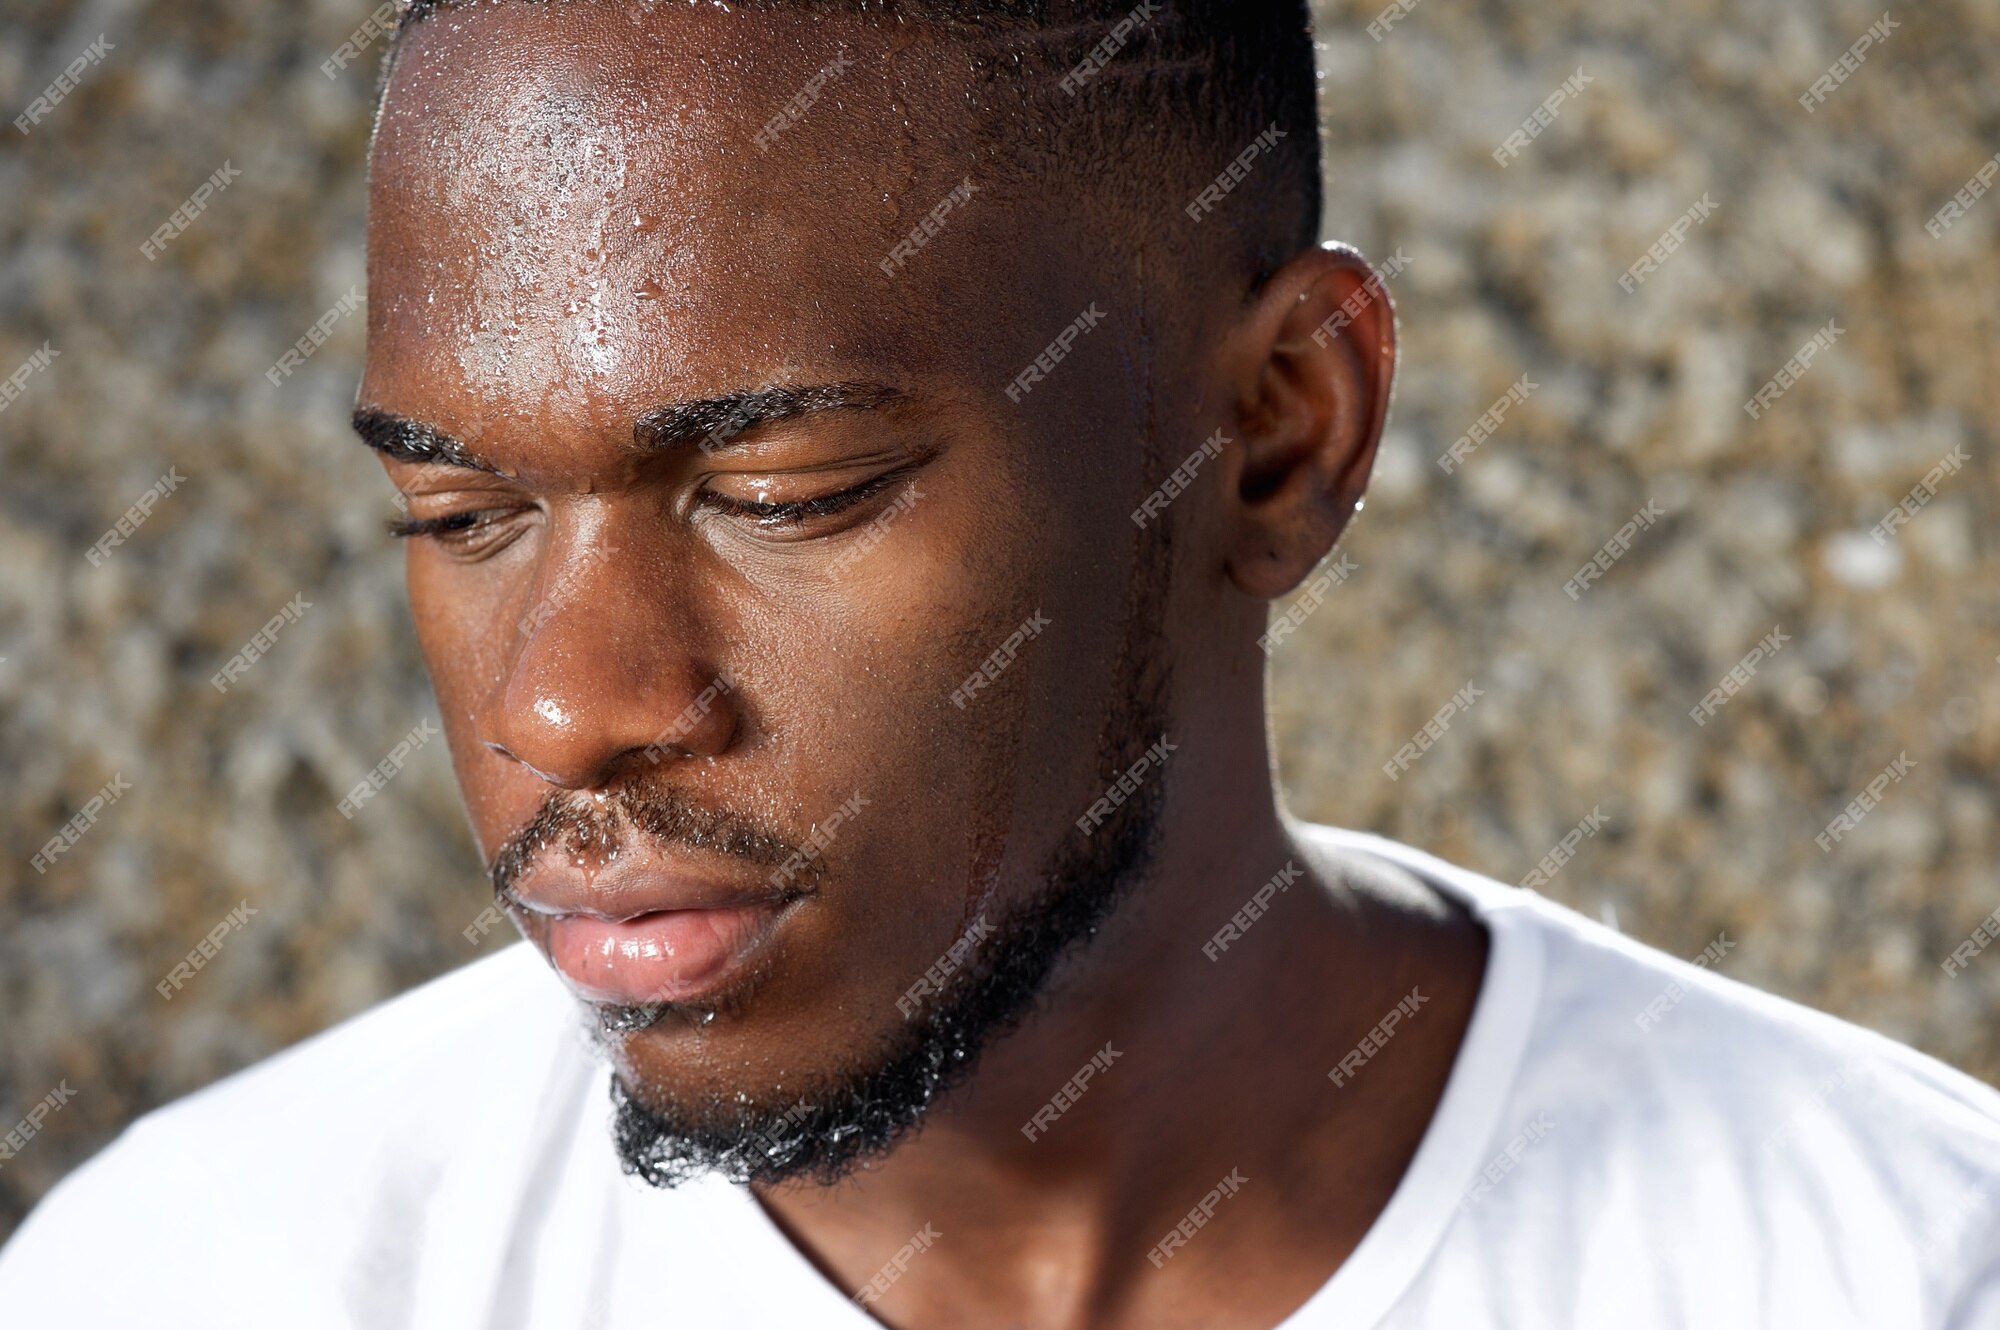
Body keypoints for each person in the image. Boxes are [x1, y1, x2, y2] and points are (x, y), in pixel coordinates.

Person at [5, 3, 1997, 1326]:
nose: (560, 700)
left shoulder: (1890, 1265)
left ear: (1280, 431)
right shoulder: (206, 1278)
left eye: (786, 490)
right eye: (460, 516)